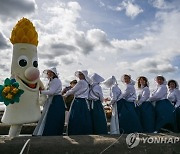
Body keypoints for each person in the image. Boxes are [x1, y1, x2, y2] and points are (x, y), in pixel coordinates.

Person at [33, 67, 65, 136]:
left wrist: (41, 92)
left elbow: (52, 92)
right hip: (52, 100)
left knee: (53, 117)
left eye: (50, 72)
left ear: (54, 73)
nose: (49, 74)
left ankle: (51, 132)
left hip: (56, 100)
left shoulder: (56, 80)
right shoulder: (51, 81)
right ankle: (45, 132)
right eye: (48, 72)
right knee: (48, 116)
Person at [63, 70, 92, 135]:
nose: (79, 76)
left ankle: (75, 132)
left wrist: (65, 95)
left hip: (78, 101)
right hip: (84, 102)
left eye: (81, 74)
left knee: (75, 117)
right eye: (79, 74)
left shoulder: (81, 82)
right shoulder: (86, 83)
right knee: (83, 117)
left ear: (84, 75)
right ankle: (84, 131)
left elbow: (73, 90)